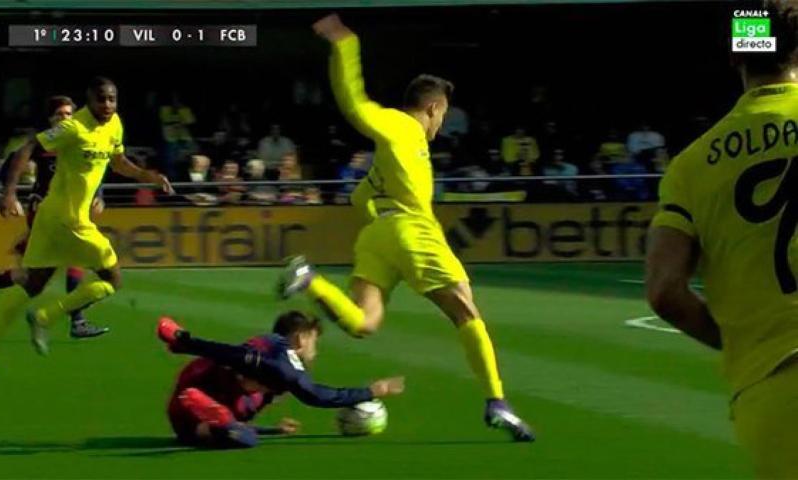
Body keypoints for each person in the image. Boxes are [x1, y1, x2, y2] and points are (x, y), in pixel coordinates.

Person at [278, 14, 534, 442]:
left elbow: (361, 197)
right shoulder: (401, 126)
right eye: (443, 114)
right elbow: (355, 104)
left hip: (381, 236)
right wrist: (345, 44)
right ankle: (497, 403)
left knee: (364, 323)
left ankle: (311, 279)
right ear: (433, 107)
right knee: (467, 313)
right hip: (413, 230)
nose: (442, 124)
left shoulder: (400, 150)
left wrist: (384, 227)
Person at [645, 2, 798, 477]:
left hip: (773, 389)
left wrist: (738, 339)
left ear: (736, 59)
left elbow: (665, 291)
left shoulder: (691, 165)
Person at [0, 77, 172, 380]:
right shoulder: (72, 127)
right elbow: (25, 149)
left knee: (32, 284)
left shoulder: (114, 123)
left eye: (112, 99)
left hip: (51, 218)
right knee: (112, 280)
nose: (106, 105)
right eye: (101, 99)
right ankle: (46, 316)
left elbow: (118, 162)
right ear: (89, 100)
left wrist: (149, 176)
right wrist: (9, 192)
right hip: (71, 221)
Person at [0, 96, 109, 361]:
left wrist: (99, 193)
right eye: (60, 115)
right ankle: (75, 320)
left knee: (27, 280)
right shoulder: (46, 142)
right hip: (45, 215)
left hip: (64, 215)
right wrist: (9, 194)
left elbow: (96, 169)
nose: (66, 118)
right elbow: (11, 163)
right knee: (76, 259)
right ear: (51, 120)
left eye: (69, 113)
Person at [158, 311, 405, 449]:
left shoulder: (273, 360)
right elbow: (317, 395)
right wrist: (373, 390)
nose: (315, 351)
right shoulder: (283, 360)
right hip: (200, 386)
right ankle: (217, 417)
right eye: (314, 341)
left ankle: (215, 419)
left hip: (185, 415)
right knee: (243, 435)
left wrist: (274, 429)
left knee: (242, 434)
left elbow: (235, 356)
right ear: (301, 338)